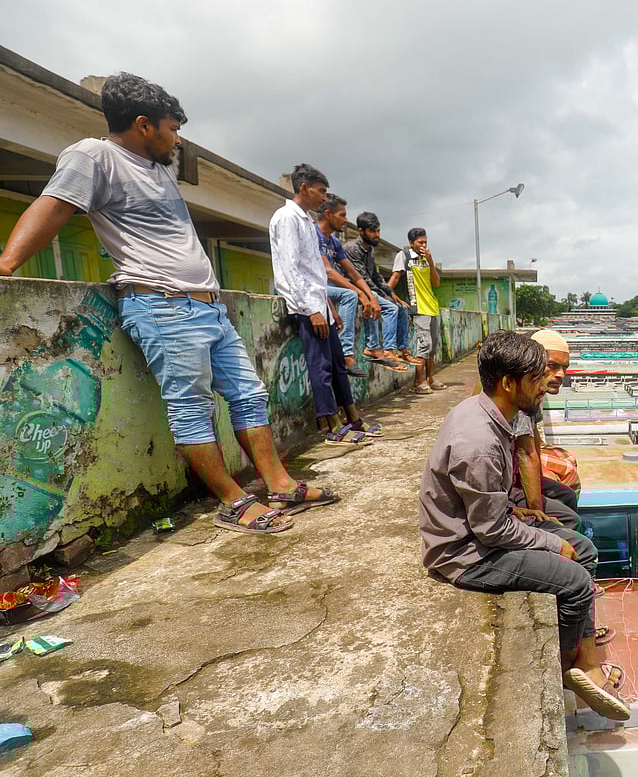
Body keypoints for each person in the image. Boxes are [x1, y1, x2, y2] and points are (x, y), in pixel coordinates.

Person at [0, 72, 336, 534]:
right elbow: (54, 205)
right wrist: (7, 263)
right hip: (161, 305)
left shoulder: (158, 169)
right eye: (171, 128)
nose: (176, 138)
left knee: (250, 394)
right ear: (142, 124)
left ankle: (277, 481)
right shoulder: (93, 156)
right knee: (191, 407)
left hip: (208, 307)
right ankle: (233, 502)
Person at [419, 331, 629, 721]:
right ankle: (568, 667)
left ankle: (584, 657)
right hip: (466, 554)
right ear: (508, 383)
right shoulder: (478, 443)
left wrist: (526, 516)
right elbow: (490, 531)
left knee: (584, 549)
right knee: (575, 579)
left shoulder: (487, 412)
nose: (543, 387)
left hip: (481, 530)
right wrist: (550, 545)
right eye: (536, 379)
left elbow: (490, 509)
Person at [269, 164, 381, 445]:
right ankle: (331, 426)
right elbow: (290, 268)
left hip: (320, 304)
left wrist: (329, 306)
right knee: (320, 367)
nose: (323, 197)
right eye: (320, 191)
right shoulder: (286, 218)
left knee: (338, 364)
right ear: (304, 188)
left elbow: (316, 272)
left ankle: (353, 418)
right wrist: (312, 309)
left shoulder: (306, 220)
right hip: (306, 307)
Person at [512, 329, 581, 526]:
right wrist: (539, 517)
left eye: (564, 368)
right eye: (552, 366)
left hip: (508, 474)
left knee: (566, 494)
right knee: (569, 519)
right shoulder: (522, 395)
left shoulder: (534, 391)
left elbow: (534, 442)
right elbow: (526, 453)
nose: (561, 374)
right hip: (501, 484)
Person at [313, 194, 382, 377]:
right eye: (342, 215)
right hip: (312, 288)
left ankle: (373, 348)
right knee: (349, 295)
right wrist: (358, 293)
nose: (345, 220)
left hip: (327, 290)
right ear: (328, 214)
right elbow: (328, 271)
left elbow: (352, 273)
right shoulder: (313, 235)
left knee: (367, 298)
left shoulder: (334, 242)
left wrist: (370, 296)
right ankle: (347, 355)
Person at [343, 212, 418, 369]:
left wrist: (391, 293)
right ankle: (386, 350)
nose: (377, 235)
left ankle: (402, 349)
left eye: (378, 231)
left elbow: (376, 276)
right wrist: (382, 296)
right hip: (353, 288)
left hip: (367, 287)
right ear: (361, 231)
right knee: (390, 308)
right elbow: (362, 278)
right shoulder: (352, 249)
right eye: (373, 231)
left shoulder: (369, 249)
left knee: (401, 306)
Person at [389, 227, 446, 394]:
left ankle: (430, 379)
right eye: (420, 242)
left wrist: (430, 260)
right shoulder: (404, 256)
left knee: (432, 347)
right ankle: (418, 382)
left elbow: (436, 283)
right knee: (424, 345)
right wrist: (384, 294)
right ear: (411, 243)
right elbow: (396, 276)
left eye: (425, 242)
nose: (423, 245)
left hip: (432, 307)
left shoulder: (427, 258)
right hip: (417, 307)